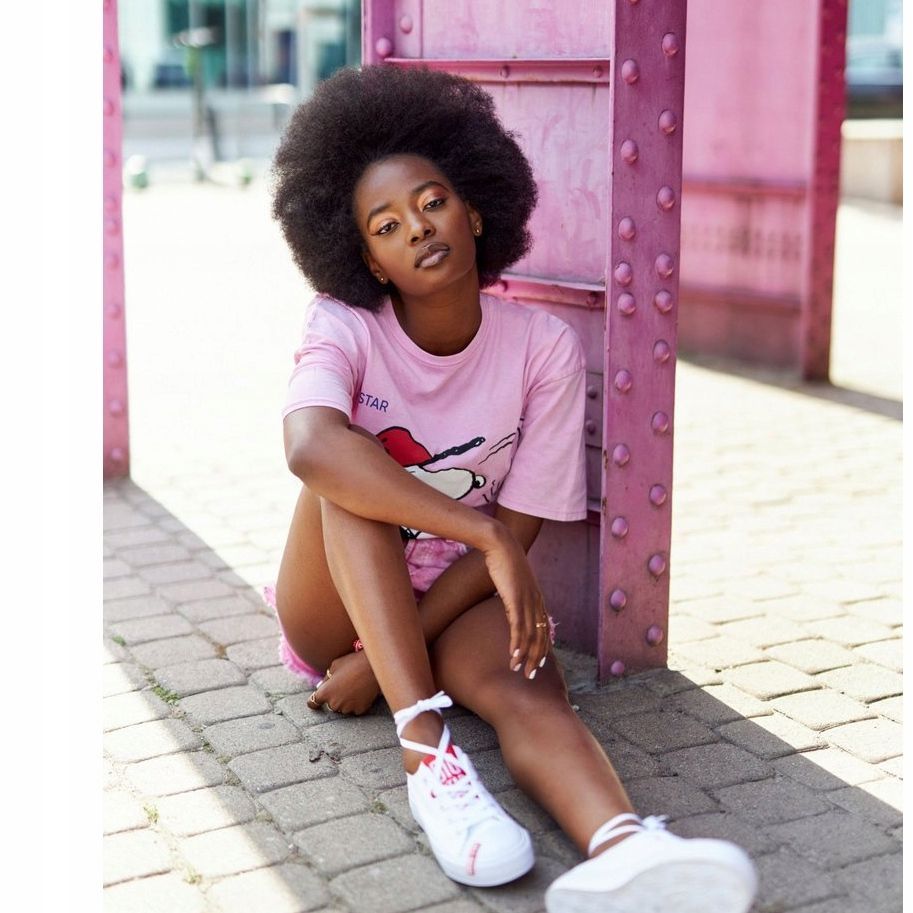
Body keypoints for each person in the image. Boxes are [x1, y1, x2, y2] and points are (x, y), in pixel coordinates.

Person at [267, 64, 757, 912]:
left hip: (451, 597)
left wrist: (387, 659)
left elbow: (522, 518)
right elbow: (309, 448)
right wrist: (482, 531)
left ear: (474, 210)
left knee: (529, 690)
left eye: (432, 202)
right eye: (386, 225)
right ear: (368, 260)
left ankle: (626, 849)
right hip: (334, 598)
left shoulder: (542, 347)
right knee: (352, 468)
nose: (418, 228)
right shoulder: (342, 322)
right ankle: (427, 750)